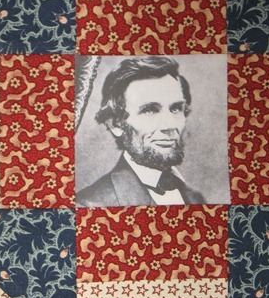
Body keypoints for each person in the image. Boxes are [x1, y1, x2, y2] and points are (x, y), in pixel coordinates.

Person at [76, 57, 205, 207]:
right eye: (150, 110)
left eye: (175, 109)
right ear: (116, 124)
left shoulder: (196, 199)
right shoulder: (87, 204)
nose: (169, 125)